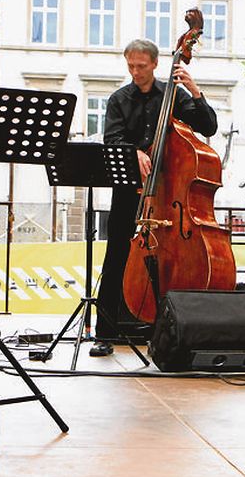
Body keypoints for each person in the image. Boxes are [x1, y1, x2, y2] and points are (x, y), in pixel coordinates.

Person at [93, 38, 218, 357]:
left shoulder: (173, 95)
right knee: (118, 253)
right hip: (130, 190)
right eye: (131, 66)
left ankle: (166, 328)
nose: (135, 72)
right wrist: (133, 153)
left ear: (154, 64)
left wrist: (196, 91)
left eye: (141, 66)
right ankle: (105, 330)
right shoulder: (119, 99)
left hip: (171, 193)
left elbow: (209, 127)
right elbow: (113, 139)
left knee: (171, 258)